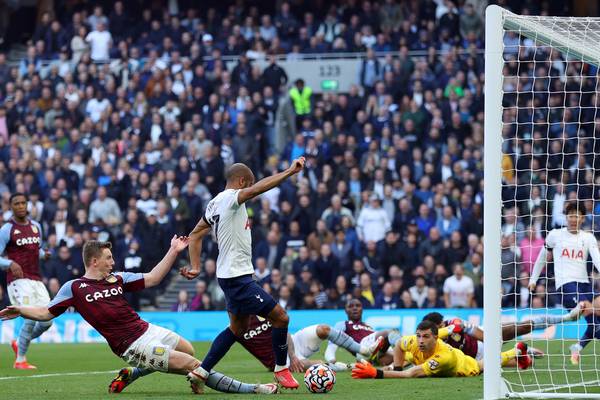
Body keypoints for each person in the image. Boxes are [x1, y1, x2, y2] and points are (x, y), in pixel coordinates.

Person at [0, 239, 277, 395]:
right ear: (94, 261)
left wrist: (173, 250)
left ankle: (133, 374)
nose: (113, 261)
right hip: (131, 346)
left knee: (188, 349)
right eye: (108, 257)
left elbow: (155, 278)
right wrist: (20, 309)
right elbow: (46, 312)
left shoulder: (118, 278)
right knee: (195, 365)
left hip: (146, 329)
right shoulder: (74, 288)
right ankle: (255, 389)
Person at [181, 158, 306, 390]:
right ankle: (281, 369)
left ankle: (201, 371)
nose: (251, 189)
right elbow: (259, 188)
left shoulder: (213, 204)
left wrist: (196, 266)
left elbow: (195, 234)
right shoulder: (230, 198)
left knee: (237, 329)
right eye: (249, 184)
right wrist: (289, 171)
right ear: (241, 182)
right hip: (237, 278)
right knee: (281, 318)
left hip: (229, 275)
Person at [529, 201, 600, 364]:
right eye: (570, 215)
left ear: (582, 218)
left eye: (577, 215)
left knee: (595, 324)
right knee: (595, 324)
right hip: (566, 287)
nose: (573, 219)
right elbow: (541, 258)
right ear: (566, 217)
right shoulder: (555, 234)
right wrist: (533, 279)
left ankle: (578, 347)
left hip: (585, 285)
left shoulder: (588, 237)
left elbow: (597, 260)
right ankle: (572, 323)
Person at [351, 320, 531, 380]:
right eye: (418, 335)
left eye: (425, 337)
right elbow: (398, 346)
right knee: (406, 355)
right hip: (431, 357)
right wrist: (396, 367)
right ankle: (519, 355)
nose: (420, 340)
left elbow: (411, 374)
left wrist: (377, 373)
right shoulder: (414, 340)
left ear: (435, 338)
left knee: (482, 365)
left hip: (461, 365)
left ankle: (515, 351)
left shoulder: (442, 357)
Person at [0, 193, 51, 369]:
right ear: (11, 207)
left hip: (36, 279)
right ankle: (20, 360)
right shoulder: (7, 229)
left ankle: (18, 342)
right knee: (30, 317)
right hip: (17, 280)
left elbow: (36, 250)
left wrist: (44, 254)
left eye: (23, 203)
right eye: (17, 203)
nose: (21, 206)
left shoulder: (36, 226)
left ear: (27, 205)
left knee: (48, 320)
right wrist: (9, 263)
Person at [237, 314, 384, 373]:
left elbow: (283, 330)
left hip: (294, 343)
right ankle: (350, 366)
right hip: (280, 361)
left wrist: (293, 354)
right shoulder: (236, 326)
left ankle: (364, 351)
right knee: (317, 365)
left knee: (324, 329)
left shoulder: (262, 309)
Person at [420, 310, 581, 361]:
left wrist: (495, 342)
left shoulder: (454, 322)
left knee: (522, 326)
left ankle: (565, 318)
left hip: (483, 341)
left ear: (441, 324)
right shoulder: (428, 340)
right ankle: (522, 350)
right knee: (526, 363)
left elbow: (483, 336)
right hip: (477, 360)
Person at [324, 298, 391, 366]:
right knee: (387, 333)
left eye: (358, 306)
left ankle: (376, 363)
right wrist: (331, 359)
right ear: (346, 311)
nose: (354, 308)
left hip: (375, 350)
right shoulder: (343, 324)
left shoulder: (368, 326)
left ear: (362, 309)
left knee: (397, 356)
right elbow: (332, 344)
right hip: (362, 348)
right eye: (350, 306)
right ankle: (373, 360)